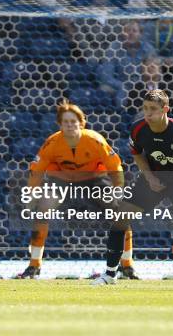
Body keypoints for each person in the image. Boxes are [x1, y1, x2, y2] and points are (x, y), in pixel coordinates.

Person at [92, 89, 173, 287]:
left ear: (165, 109)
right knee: (120, 219)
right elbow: (137, 153)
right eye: (145, 108)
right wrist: (149, 177)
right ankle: (110, 274)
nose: (148, 113)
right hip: (152, 180)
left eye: (153, 109)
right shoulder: (138, 129)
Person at [16, 100, 138, 280]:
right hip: (61, 180)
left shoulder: (95, 140)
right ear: (60, 124)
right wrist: (32, 194)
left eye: (73, 121)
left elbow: (115, 165)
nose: (70, 125)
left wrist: (118, 189)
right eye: (66, 122)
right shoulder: (52, 143)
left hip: (94, 179)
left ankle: (127, 266)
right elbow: (37, 170)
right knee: (42, 212)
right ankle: (34, 266)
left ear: (82, 122)